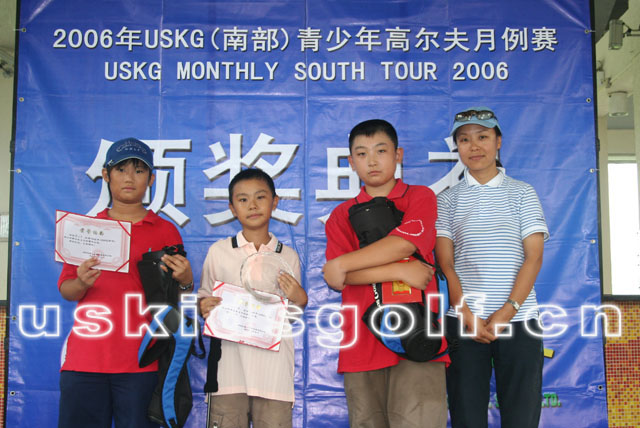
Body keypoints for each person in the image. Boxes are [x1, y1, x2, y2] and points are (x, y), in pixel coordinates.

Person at [57, 137, 194, 428]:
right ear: (106, 175)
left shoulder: (165, 231)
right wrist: (81, 282)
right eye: (121, 169)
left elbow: (177, 300)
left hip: (143, 359)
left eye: (139, 170)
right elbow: (67, 290)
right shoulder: (85, 229)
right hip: (85, 359)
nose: (129, 178)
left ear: (151, 179)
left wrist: (186, 281)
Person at [323, 119, 449, 428]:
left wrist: (344, 264)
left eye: (381, 151)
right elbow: (338, 278)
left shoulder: (420, 197)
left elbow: (404, 243)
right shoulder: (341, 215)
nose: (372, 161)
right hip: (361, 339)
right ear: (351, 161)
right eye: (362, 153)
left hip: (419, 333)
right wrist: (398, 270)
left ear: (398, 154)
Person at [435, 107, 549, 428]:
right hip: (465, 322)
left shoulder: (522, 192)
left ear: (498, 141)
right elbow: (446, 264)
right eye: (464, 140)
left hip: (520, 320)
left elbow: (534, 257)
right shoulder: (447, 200)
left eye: (483, 137)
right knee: (466, 417)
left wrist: (506, 312)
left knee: (521, 417)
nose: (474, 146)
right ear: (457, 147)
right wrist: (467, 314)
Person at [198, 168, 308, 428]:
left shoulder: (287, 256)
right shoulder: (219, 251)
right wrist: (204, 305)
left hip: (274, 377)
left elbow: (290, 318)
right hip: (227, 375)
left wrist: (300, 300)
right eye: (243, 199)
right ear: (232, 208)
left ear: (275, 202)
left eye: (260, 197)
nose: (252, 205)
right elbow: (204, 297)